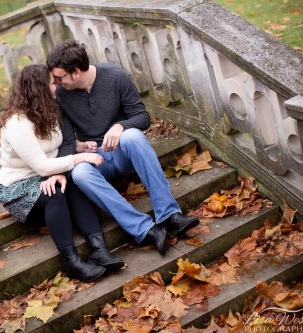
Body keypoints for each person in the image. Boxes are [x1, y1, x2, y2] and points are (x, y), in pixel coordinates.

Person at [46, 39, 200, 255]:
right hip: (97, 158)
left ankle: (169, 215)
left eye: (59, 77)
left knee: (133, 136)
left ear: (76, 72)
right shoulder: (62, 96)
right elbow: (67, 140)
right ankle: (145, 230)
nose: (56, 82)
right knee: (80, 173)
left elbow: (142, 117)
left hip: (125, 152)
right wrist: (69, 159)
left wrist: (121, 126)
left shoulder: (115, 76)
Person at [0, 64, 124, 282]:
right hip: (18, 186)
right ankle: (71, 262)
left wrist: (78, 148)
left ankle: (98, 249)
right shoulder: (16, 124)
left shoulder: (49, 110)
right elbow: (43, 165)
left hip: (46, 172)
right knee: (55, 192)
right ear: (39, 89)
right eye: (52, 83)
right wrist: (81, 158)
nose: (57, 87)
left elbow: (55, 146)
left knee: (73, 182)